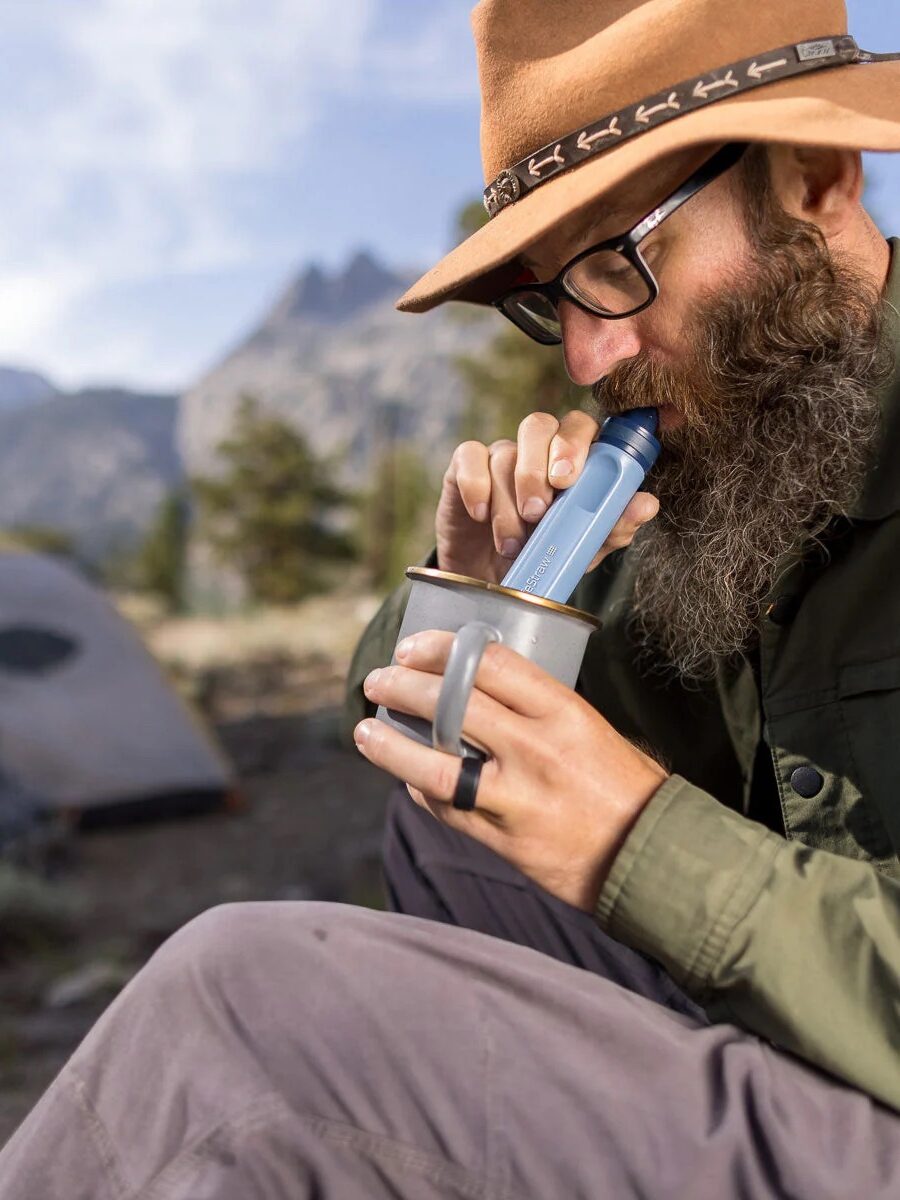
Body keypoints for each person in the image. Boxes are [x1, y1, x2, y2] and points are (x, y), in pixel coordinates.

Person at [2, 2, 900, 1197]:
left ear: (816, 177)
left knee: (252, 1017)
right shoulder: (746, 457)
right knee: (454, 827)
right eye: (551, 299)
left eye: (617, 262)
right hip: (818, 1039)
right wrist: (474, 599)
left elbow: (656, 851)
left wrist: (642, 844)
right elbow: (407, 728)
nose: (584, 357)